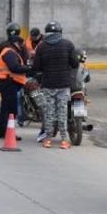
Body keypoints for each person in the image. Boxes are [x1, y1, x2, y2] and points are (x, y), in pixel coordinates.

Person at [32, 21, 78, 149]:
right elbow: (75, 64)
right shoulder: (68, 44)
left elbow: (37, 67)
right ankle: (64, 140)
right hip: (63, 85)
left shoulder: (41, 46)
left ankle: (48, 139)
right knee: (62, 112)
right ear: (60, 32)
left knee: (49, 112)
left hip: (48, 84)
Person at [0, 32, 31, 139]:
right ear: (16, 43)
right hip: (9, 83)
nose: (22, 47)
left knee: (5, 108)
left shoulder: (10, 52)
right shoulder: (9, 53)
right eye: (21, 44)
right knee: (11, 110)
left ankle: (2, 132)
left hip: (7, 82)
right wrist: (28, 68)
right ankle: (8, 133)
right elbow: (14, 67)